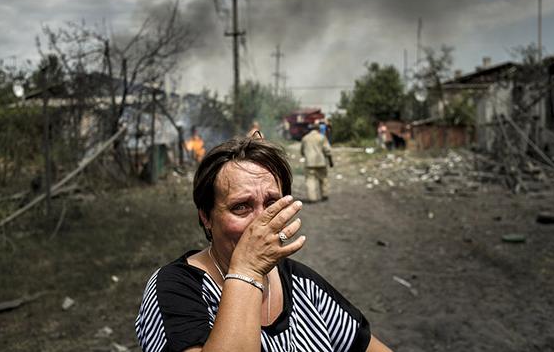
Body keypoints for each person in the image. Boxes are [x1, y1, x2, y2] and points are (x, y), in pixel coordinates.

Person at [135, 136, 393, 352]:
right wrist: (246, 271)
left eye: (272, 203)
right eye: (241, 207)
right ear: (206, 216)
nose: (262, 222)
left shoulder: (303, 285)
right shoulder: (176, 287)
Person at [301, 122, 333, 202]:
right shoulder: (322, 137)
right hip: (321, 162)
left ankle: (312, 198)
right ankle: (325, 195)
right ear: (318, 129)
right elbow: (328, 150)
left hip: (309, 163)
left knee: (310, 180)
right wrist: (330, 161)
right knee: (323, 179)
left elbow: (302, 151)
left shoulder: (305, 138)